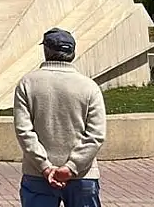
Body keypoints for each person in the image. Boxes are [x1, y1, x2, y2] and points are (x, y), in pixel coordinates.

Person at [13, 29, 106, 207]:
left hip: (37, 175)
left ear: (46, 50)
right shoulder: (89, 87)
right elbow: (96, 135)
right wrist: (71, 167)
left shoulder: (27, 83)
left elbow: (24, 131)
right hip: (82, 175)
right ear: (72, 52)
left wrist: (45, 166)